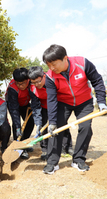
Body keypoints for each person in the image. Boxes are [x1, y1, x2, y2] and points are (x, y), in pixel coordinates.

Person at [42, 44, 107, 175]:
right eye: (48, 65)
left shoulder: (82, 63)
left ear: (65, 58)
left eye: (54, 64)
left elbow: (97, 81)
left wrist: (101, 101)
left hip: (84, 101)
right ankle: (52, 162)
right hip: (63, 103)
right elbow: (52, 100)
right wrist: (52, 121)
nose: (51, 68)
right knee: (56, 130)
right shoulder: (49, 77)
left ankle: (78, 159)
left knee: (86, 128)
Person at [28, 66, 73, 161]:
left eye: (38, 81)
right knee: (43, 129)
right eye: (33, 82)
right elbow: (35, 106)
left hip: (58, 106)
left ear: (43, 76)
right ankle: (45, 149)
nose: (36, 84)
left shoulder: (53, 80)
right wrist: (38, 123)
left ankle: (67, 147)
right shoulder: (32, 88)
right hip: (44, 108)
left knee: (62, 125)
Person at [5, 68, 35, 159]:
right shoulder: (12, 88)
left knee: (31, 121)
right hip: (13, 104)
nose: (21, 86)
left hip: (26, 104)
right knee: (16, 124)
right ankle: (18, 147)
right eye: (18, 83)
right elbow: (14, 110)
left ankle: (24, 143)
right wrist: (18, 127)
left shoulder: (32, 82)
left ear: (28, 80)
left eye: (23, 83)